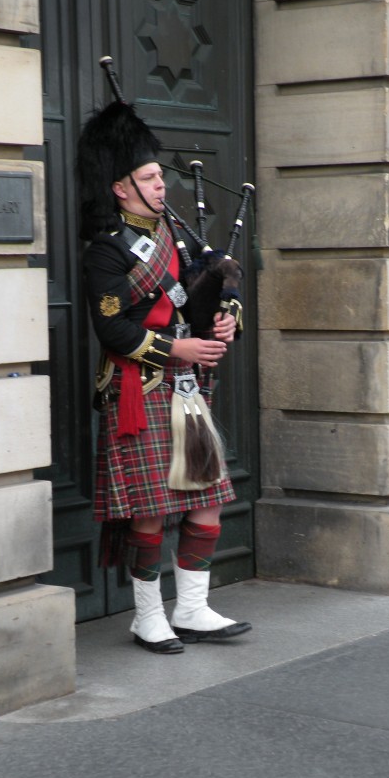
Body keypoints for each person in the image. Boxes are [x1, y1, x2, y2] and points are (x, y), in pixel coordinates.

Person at [76, 100, 251, 654]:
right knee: (148, 511)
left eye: (160, 177)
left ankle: (193, 608)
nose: (161, 186)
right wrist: (181, 349)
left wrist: (227, 321)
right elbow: (114, 332)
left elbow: (217, 299)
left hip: (187, 393)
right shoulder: (106, 254)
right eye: (150, 178)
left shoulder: (184, 243)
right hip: (140, 388)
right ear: (120, 187)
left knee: (206, 499)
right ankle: (147, 617)